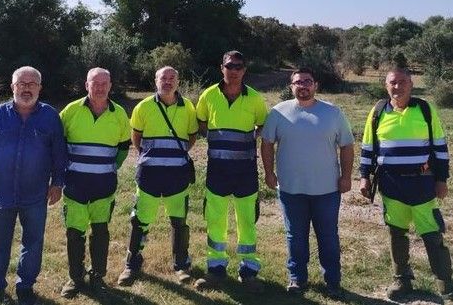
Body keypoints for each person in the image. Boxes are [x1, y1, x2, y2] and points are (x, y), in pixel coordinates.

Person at [0, 66, 67, 305]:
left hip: (35, 195)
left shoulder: (50, 117)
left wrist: (58, 183)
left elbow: (59, 154)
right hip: (0, 194)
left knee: (33, 244)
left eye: (32, 84)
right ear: (12, 87)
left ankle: (26, 288)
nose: (26, 88)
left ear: (40, 88)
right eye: (21, 83)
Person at [359, 67, 452, 302]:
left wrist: (442, 180)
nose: (397, 87)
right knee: (396, 234)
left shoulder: (425, 109)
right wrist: (364, 176)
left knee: (432, 234)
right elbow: (368, 147)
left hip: (422, 185)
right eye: (393, 83)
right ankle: (401, 280)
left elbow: (440, 148)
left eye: (402, 82)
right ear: (386, 86)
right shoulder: (378, 111)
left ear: (411, 84)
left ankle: (446, 283)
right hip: (391, 185)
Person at [261, 67, 354, 298]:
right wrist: (268, 173)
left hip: (327, 190)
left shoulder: (333, 112)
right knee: (295, 236)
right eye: (298, 82)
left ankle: (332, 281)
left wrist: (346, 176)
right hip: (291, 189)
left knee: (328, 236)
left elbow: (347, 146)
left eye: (307, 81)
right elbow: (266, 144)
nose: (303, 86)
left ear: (315, 85)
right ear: (291, 87)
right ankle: (297, 279)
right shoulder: (278, 113)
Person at [193, 51, 268, 293]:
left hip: (246, 170)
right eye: (229, 66)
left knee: (247, 220)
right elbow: (201, 122)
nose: (234, 70)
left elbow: (263, 125)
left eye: (238, 66)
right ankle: (216, 268)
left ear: (244, 70)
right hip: (217, 170)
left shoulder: (255, 98)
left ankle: (249, 271)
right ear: (221, 68)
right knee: (215, 219)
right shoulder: (208, 95)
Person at [117, 66, 198, 286]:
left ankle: (181, 264)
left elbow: (192, 138)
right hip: (149, 175)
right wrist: (150, 156)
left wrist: (175, 155)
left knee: (178, 221)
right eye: (164, 77)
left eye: (172, 78)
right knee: (139, 220)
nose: (168, 81)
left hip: (177, 175)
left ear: (178, 82)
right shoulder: (142, 106)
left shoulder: (188, 108)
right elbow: (136, 138)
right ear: (156, 80)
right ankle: (132, 264)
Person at [59, 67, 131, 298]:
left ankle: (98, 276)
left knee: (101, 233)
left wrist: (109, 169)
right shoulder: (70, 111)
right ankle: (75, 277)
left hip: (103, 187)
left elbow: (123, 147)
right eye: (95, 83)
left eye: (104, 83)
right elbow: (58, 146)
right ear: (86, 85)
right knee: (74, 234)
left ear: (110, 86)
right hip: (75, 186)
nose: (99, 87)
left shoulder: (119, 113)